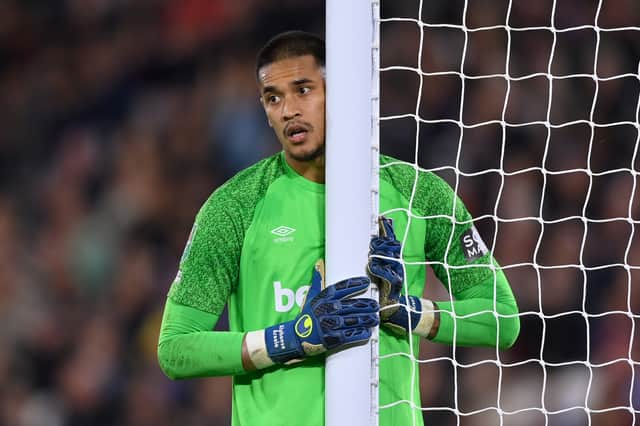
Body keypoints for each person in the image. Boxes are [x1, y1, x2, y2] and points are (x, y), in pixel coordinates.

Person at [157, 30, 520, 426]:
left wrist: (410, 313)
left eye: (303, 90)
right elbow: (176, 348)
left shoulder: (419, 194)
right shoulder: (235, 206)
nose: (288, 110)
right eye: (273, 97)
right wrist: (288, 339)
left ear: (339, 91)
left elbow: (502, 319)